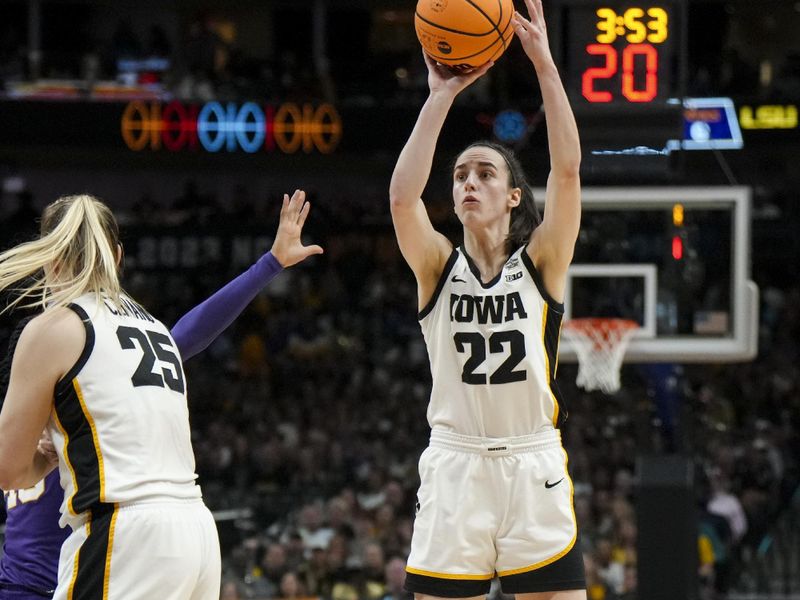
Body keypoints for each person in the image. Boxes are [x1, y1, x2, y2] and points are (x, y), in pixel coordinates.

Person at [0, 190, 322, 599]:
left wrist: (44, 458)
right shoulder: (152, 331)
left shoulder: (53, 330)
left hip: (127, 534)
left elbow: (7, 470)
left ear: (50, 260)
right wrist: (269, 263)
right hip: (195, 531)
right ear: (117, 257)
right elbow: (192, 330)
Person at [388, 1, 584, 598]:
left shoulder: (542, 261)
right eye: (460, 176)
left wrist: (546, 69)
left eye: (484, 174)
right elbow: (401, 199)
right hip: (456, 464)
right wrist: (440, 95)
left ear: (515, 197)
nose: (468, 182)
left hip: (533, 464)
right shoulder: (437, 266)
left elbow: (569, 173)